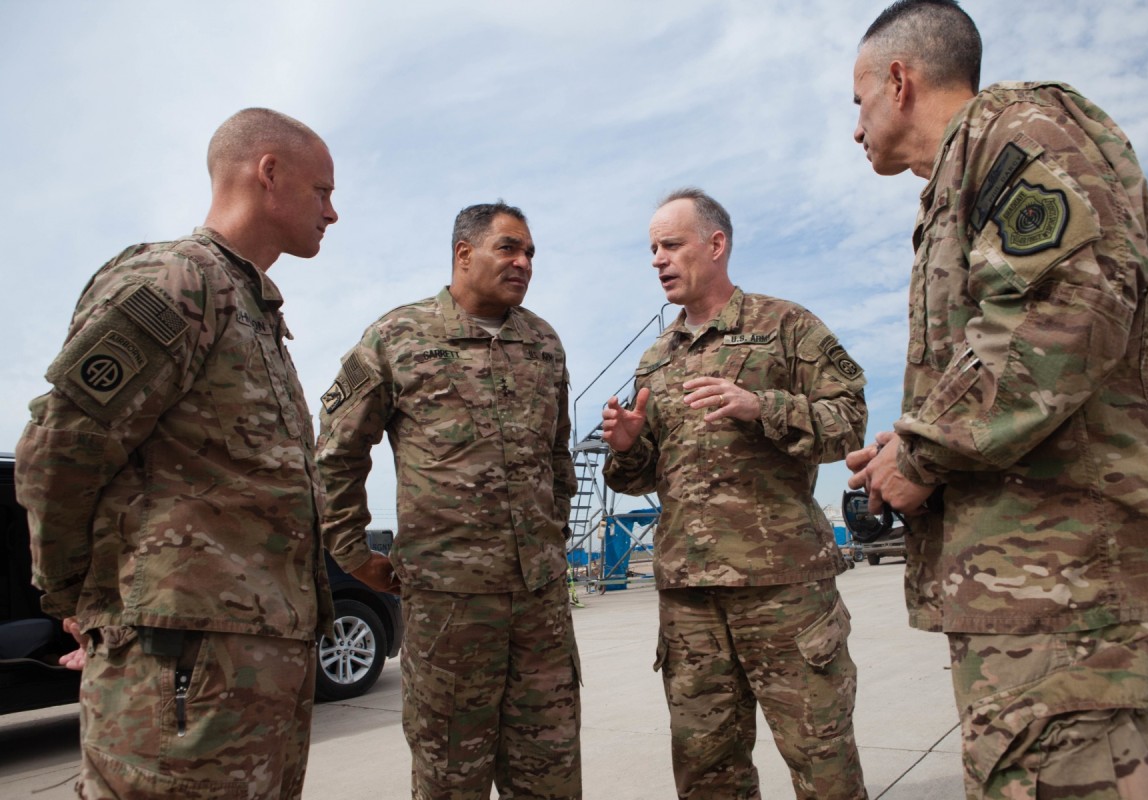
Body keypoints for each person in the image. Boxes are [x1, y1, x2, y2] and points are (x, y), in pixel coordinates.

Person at [846, 1, 1148, 797]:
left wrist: (926, 449)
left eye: (857, 101)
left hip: (1070, 595)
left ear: (899, 80)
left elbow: (1066, 305)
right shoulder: (963, 177)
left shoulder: (1021, 129)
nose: (854, 127)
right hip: (1036, 595)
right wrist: (907, 445)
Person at [14, 107, 339, 798]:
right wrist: (74, 593)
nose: (332, 213)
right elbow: (61, 448)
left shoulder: (253, 309)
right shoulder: (176, 283)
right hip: (179, 670)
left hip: (249, 673)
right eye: (322, 191)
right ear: (269, 172)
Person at [601, 188, 869, 800]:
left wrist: (762, 405)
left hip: (783, 590)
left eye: (670, 245)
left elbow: (848, 420)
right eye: (652, 249)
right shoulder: (655, 360)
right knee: (706, 773)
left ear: (716, 245)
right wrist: (627, 447)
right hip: (691, 600)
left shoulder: (785, 327)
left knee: (821, 761)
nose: (657, 260)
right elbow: (643, 476)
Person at [316, 201, 581, 799]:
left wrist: (551, 538)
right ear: (464, 254)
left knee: (553, 773)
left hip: (540, 607)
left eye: (531, 252)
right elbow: (336, 454)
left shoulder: (543, 341)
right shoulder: (396, 338)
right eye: (509, 248)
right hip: (449, 609)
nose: (524, 262)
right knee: (449, 779)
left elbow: (558, 454)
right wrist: (354, 554)